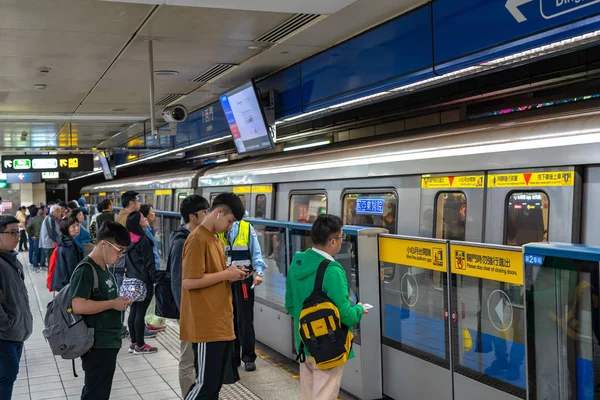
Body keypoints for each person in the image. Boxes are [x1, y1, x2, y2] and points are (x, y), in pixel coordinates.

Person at [285, 214, 366, 400]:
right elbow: (347, 315)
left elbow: (290, 305)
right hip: (329, 347)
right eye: (341, 237)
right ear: (332, 241)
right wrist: (360, 309)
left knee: (309, 395)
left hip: (304, 342)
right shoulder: (333, 270)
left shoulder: (297, 262)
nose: (342, 242)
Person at [180, 193, 248, 400]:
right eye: (229, 221)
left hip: (220, 324)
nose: (230, 226)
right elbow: (188, 282)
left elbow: (214, 275)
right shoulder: (197, 239)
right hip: (206, 326)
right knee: (205, 386)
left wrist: (232, 273)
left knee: (214, 386)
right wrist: (226, 274)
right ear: (219, 213)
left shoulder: (215, 239)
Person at [70, 221, 132, 400]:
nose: (120, 255)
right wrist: (113, 304)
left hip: (108, 342)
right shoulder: (86, 270)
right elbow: (78, 305)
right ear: (104, 244)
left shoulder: (104, 268)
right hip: (96, 344)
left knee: (97, 391)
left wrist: (120, 301)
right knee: (96, 393)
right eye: (119, 249)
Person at [169, 195, 209, 398]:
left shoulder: (196, 238)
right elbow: (177, 282)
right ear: (193, 216)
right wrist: (186, 313)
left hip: (198, 311)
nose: (208, 216)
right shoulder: (181, 243)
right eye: (205, 212)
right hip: (188, 312)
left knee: (197, 359)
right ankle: (188, 395)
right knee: (188, 358)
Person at [218, 220, 267, 372]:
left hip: (243, 280)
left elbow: (256, 252)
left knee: (245, 319)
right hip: (223, 280)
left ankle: (248, 357)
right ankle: (232, 357)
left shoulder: (246, 228)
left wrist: (258, 273)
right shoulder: (218, 229)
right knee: (228, 318)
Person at [0, 216, 33, 399]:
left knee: (8, 377)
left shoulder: (11, 259)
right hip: (4, 336)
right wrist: (8, 324)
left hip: (15, 333)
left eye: (18, 232)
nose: (17, 236)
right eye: (12, 232)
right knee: (5, 378)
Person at [125, 211, 159, 354]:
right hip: (144, 281)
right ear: (138, 223)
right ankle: (140, 345)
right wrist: (155, 279)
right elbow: (148, 264)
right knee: (140, 313)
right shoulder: (143, 241)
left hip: (131, 280)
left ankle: (133, 343)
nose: (146, 219)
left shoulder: (130, 240)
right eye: (143, 218)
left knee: (133, 311)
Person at [51, 217, 84, 292]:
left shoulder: (64, 240)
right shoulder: (69, 245)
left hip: (62, 282)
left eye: (77, 225)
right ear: (66, 229)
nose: (77, 228)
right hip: (68, 285)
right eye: (73, 226)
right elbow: (72, 268)